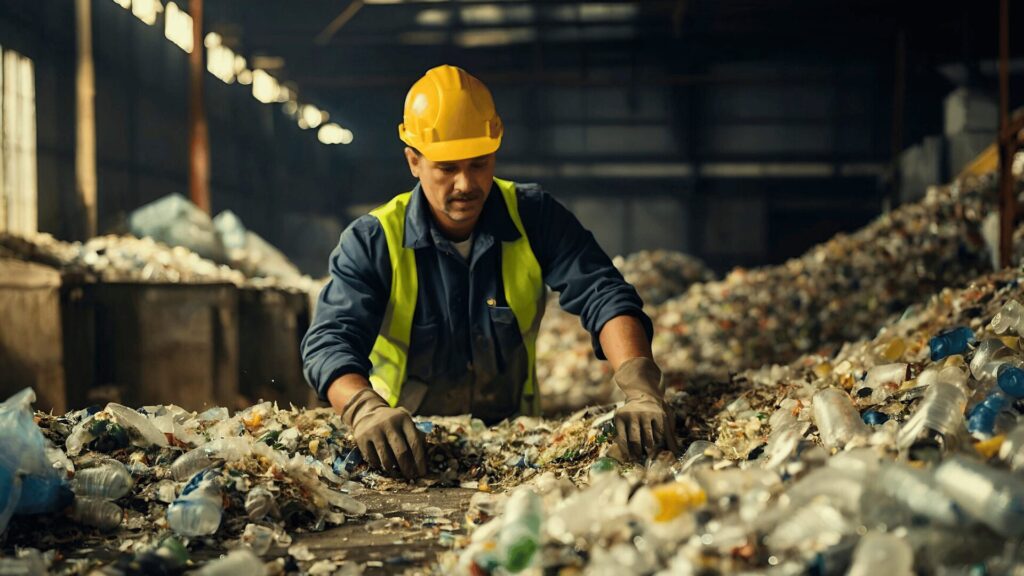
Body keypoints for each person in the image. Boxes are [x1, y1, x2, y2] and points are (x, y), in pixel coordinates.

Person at [302, 64, 675, 479]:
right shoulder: (374, 240)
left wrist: (640, 387)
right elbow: (330, 341)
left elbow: (604, 293)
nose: (465, 183)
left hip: (516, 449)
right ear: (414, 161)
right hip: (409, 452)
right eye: (447, 168)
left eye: (479, 164)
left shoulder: (534, 217)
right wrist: (364, 409)